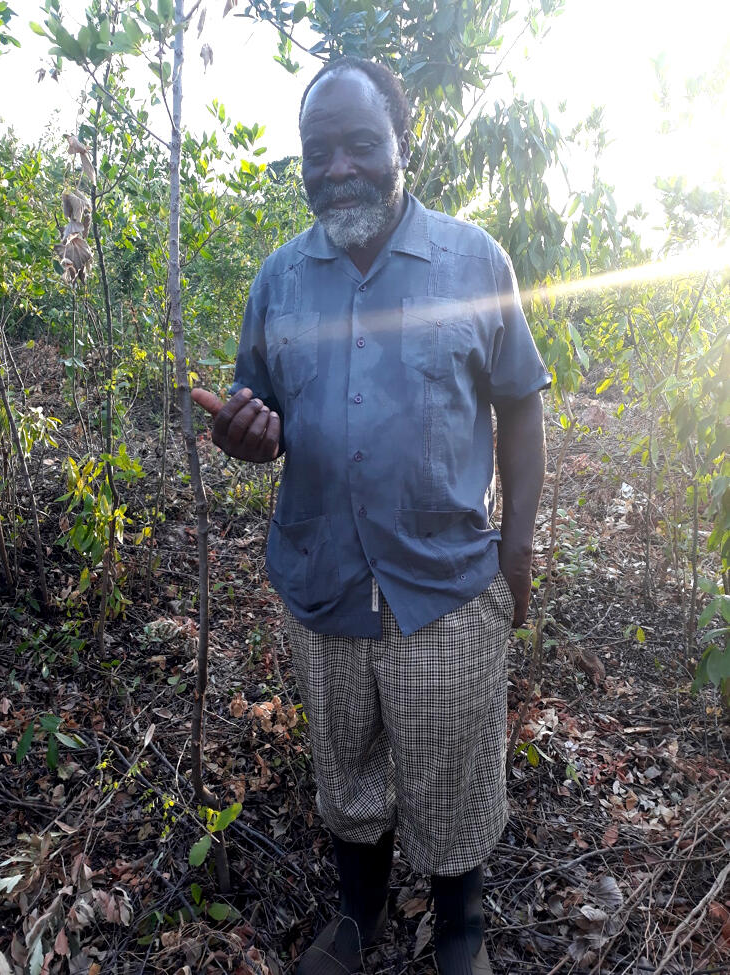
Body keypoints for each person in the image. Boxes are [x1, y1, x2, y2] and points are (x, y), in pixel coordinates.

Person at [192, 57, 549, 975]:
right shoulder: (278, 279)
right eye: (320, 150)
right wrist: (246, 435)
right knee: (346, 773)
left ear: (401, 143)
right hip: (324, 579)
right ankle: (358, 918)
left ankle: (458, 926)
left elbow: (521, 401)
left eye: (360, 144)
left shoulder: (473, 260)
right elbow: (258, 413)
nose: (338, 167)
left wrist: (517, 546)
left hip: (445, 586)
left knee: (452, 776)